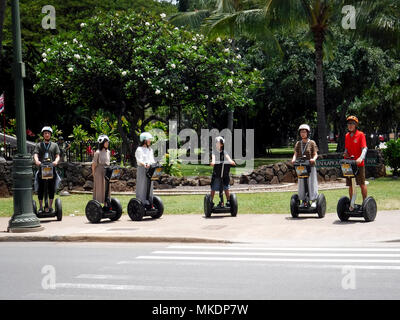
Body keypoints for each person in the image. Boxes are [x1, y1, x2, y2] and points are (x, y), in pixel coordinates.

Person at [33, 126, 61, 213]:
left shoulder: (54, 145)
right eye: (45, 133)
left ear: (50, 135)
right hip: (42, 169)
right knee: (41, 188)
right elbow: (35, 154)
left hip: (51, 168)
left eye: (48, 133)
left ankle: (50, 206)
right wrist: (37, 160)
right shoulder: (39, 145)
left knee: (51, 188)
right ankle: (41, 207)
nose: (47, 134)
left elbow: (57, 155)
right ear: (43, 135)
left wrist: (56, 161)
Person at [291, 124, 319, 208]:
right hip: (301, 166)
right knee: (301, 183)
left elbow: (316, 154)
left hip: (310, 165)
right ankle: (303, 200)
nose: (302, 133)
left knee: (311, 182)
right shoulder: (298, 143)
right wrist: (293, 159)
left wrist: (313, 159)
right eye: (301, 132)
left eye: (304, 132)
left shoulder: (312, 142)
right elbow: (295, 154)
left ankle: (313, 200)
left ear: (308, 133)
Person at [343, 115, 368, 209]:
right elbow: (347, 149)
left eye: (352, 124)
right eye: (349, 123)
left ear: (356, 125)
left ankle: (365, 204)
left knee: (361, 184)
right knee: (350, 185)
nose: (350, 125)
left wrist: (361, 158)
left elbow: (364, 148)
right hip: (350, 164)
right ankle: (351, 204)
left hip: (359, 164)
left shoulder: (360, 134)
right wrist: (345, 153)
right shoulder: (346, 136)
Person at [210, 136, 236, 207]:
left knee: (226, 188)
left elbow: (228, 158)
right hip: (217, 173)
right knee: (213, 188)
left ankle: (228, 201)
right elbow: (213, 158)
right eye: (216, 143)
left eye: (218, 143)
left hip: (224, 173)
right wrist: (213, 162)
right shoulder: (214, 152)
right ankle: (210, 201)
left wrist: (231, 161)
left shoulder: (224, 152)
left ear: (221, 144)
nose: (216, 144)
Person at [135, 132, 156, 207]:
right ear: (144, 140)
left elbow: (152, 159)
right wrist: (144, 164)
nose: (150, 141)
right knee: (142, 185)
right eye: (149, 140)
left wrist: (153, 164)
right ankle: (141, 201)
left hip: (150, 169)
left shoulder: (150, 149)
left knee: (150, 186)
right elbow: (139, 160)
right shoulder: (139, 149)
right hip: (142, 169)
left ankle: (149, 201)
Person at [92, 134, 111, 206]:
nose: (107, 143)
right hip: (99, 171)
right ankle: (98, 204)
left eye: (108, 142)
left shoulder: (108, 152)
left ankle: (106, 203)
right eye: (106, 142)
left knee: (107, 187)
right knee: (100, 187)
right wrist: (94, 174)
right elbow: (94, 164)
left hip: (107, 171)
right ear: (102, 143)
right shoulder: (97, 152)